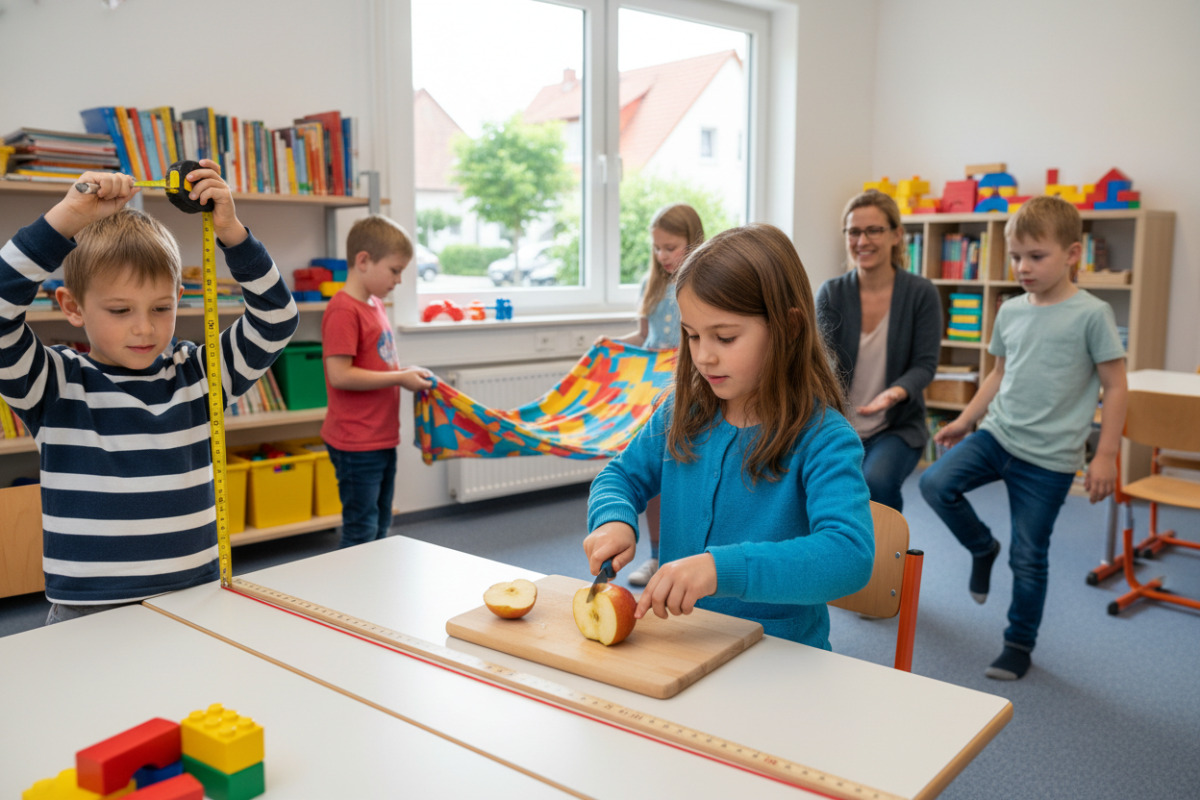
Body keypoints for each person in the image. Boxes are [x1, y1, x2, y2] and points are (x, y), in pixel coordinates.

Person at [0, 162, 298, 624]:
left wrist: (234, 234)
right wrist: (66, 218)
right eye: (120, 310)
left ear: (181, 297)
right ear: (72, 307)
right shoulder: (53, 382)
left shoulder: (199, 374)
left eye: (162, 307)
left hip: (195, 598)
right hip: (88, 610)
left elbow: (276, 320)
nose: (144, 327)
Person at [583, 223, 875, 649]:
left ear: (789, 328)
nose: (704, 355)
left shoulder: (824, 438)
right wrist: (612, 518)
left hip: (777, 655)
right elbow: (619, 478)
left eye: (725, 337)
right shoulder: (682, 412)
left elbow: (849, 556)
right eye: (693, 335)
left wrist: (721, 569)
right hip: (682, 645)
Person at [919, 195, 1128, 680]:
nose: (1022, 267)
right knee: (935, 484)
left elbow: (1116, 386)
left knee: (1029, 555)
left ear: (1073, 254)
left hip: (1051, 460)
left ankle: (1018, 643)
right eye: (1015, 257)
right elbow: (996, 374)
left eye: (1036, 257)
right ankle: (980, 547)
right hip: (998, 435)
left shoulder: (1092, 315)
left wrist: (1106, 456)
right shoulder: (1010, 310)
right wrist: (967, 419)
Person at [816, 189, 942, 512]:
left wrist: (895, 393)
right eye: (854, 232)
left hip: (895, 426)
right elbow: (818, 361)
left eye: (874, 230)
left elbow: (924, 365)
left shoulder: (920, 293)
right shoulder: (832, 292)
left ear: (897, 235)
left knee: (877, 481)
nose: (862, 241)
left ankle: (889, 560)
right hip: (838, 422)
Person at [608, 203, 705, 586]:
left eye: (672, 246)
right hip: (648, 390)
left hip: (685, 387)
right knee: (649, 474)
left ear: (693, 242)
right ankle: (655, 556)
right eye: (658, 248)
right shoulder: (650, 285)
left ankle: (686, 558)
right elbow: (645, 339)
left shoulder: (702, 285)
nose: (663, 255)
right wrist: (612, 347)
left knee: (681, 471)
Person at [321, 215, 432, 548]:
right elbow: (339, 374)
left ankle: (373, 590)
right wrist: (400, 377)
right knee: (362, 528)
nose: (398, 280)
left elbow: (378, 362)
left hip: (380, 437)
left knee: (381, 521)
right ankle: (350, 597)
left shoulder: (375, 305)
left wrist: (404, 371)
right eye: (395, 270)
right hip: (356, 441)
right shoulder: (344, 310)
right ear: (364, 261)